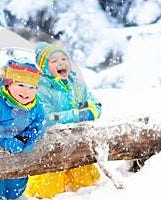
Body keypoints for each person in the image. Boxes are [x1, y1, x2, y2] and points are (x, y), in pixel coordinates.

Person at [24, 42, 102, 199]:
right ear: (44, 67)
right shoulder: (40, 88)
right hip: (50, 147)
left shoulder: (77, 84)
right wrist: (78, 113)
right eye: (53, 61)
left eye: (63, 58)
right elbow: (48, 117)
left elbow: (97, 107)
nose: (60, 63)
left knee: (87, 188)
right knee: (49, 191)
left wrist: (86, 113)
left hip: (78, 143)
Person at [0, 57, 45, 200]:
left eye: (32, 87)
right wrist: (3, 139)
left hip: (19, 154)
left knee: (16, 184)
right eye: (21, 85)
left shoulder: (35, 104)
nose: (26, 91)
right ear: (8, 84)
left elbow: (39, 120)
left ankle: (13, 195)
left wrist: (31, 135)